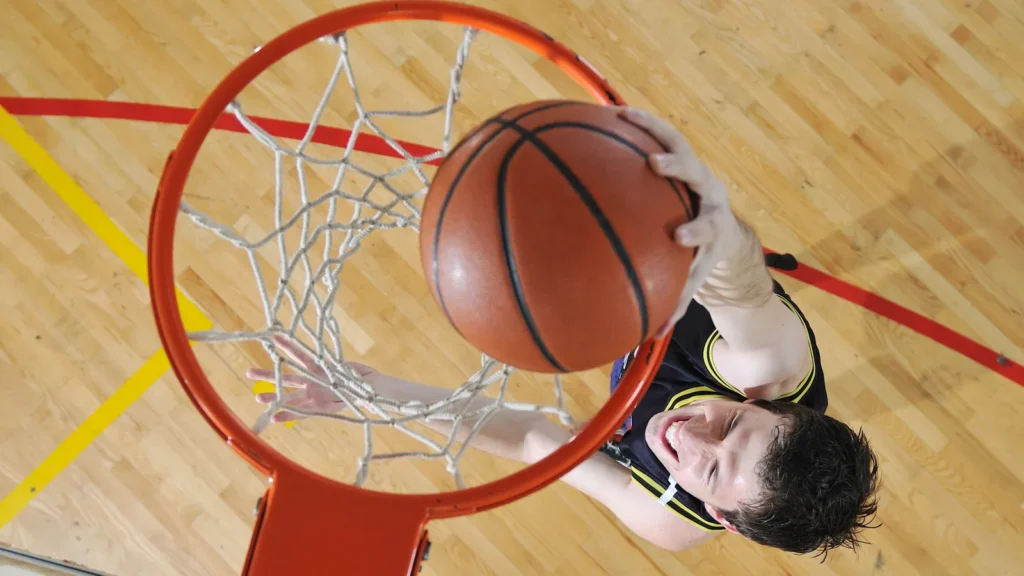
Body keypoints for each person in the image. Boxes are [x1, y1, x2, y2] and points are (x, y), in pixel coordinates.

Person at [246, 107, 881, 557]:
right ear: (763, 405)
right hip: (672, 279)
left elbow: (532, 438)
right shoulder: (769, 364)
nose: (690, 437)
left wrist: (377, 393)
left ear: (720, 516)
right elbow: (737, 280)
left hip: (632, 325)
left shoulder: (666, 516)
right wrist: (711, 216)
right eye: (734, 428)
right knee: (724, 266)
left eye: (712, 473)